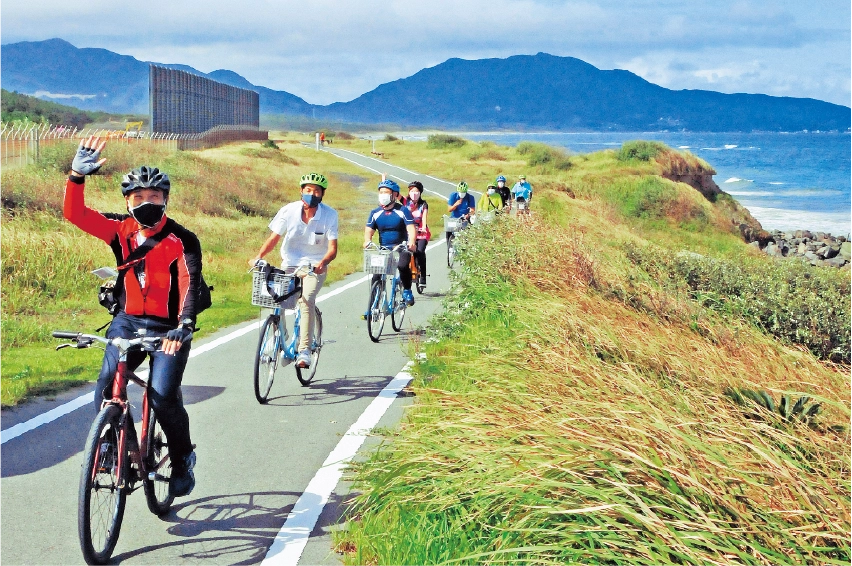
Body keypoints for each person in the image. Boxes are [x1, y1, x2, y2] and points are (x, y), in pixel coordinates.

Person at [63, 136, 200, 497]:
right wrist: (76, 176)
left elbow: (189, 283)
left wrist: (184, 325)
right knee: (108, 380)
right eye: (138, 198)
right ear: (127, 201)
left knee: (162, 394)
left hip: (168, 328)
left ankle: (182, 457)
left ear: (166, 199)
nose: (146, 203)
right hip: (127, 320)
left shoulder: (182, 239)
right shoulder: (120, 230)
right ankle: (108, 446)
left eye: (154, 197)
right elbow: (75, 215)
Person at [250, 173, 338, 368]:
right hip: (290, 262)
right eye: (308, 190)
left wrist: (322, 262)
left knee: (306, 300)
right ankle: (278, 335)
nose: (312, 194)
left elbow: (332, 248)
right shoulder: (288, 211)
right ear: (301, 191)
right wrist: (259, 256)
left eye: (316, 191)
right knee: (276, 299)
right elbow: (274, 238)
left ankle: (304, 350)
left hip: (315, 266)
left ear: (322, 194)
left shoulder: (330, 214)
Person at [364, 179, 417, 306]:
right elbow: (369, 230)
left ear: (394, 195)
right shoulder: (375, 213)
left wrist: (412, 242)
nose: (383, 195)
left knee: (403, 265)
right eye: (381, 192)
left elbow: (411, 228)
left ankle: (407, 290)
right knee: (376, 275)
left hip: (401, 247)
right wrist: (367, 240)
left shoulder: (403, 211)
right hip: (384, 249)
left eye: (386, 192)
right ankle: (373, 305)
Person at [405, 181, 430, 288]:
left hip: (421, 233)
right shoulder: (405, 202)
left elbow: (424, 217)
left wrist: (423, 227)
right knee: (403, 253)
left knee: (420, 251)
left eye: (416, 191)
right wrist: (384, 181)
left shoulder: (423, 204)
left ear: (420, 193)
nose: (414, 193)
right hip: (408, 232)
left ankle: (423, 277)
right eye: (412, 191)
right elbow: (394, 194)